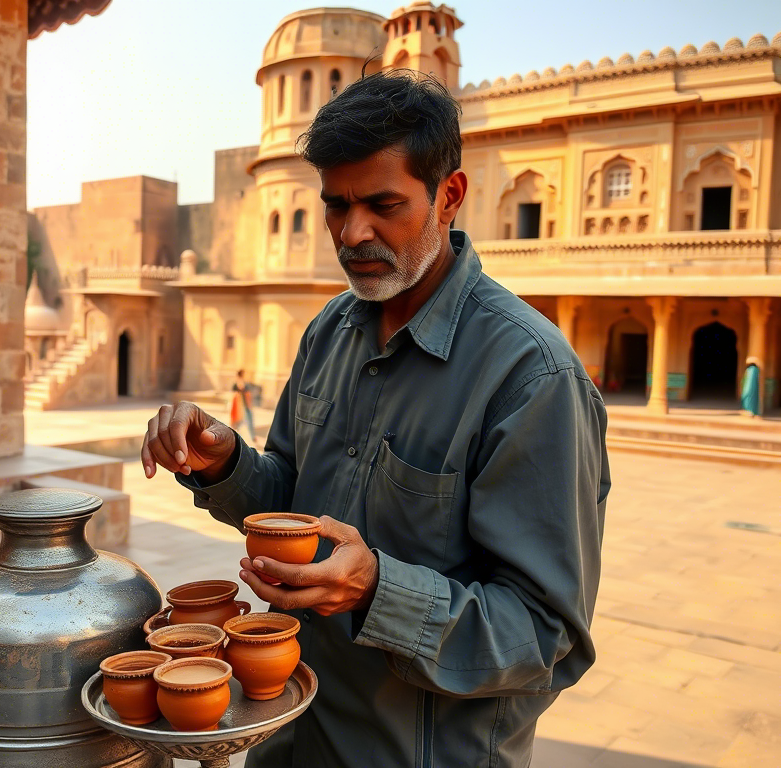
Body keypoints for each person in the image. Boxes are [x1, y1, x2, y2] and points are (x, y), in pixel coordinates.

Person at [141, 71, 610, 768]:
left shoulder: (529, 376)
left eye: (383, 204)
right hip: (295, 736)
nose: (352, 232)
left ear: (448, 195)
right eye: (336, 205)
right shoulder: (331, 330)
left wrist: (377, 589)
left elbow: (543, 637)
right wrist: (225, 463)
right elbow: (295, 509)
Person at [230, 369, 258, 444]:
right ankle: (249, 437)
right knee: (245, 421)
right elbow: (245, 394)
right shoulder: (241, 383)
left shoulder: (239, 382)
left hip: (242, 405)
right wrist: (249, 405)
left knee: (241, 422)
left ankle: (249, 437)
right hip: (242, 406)